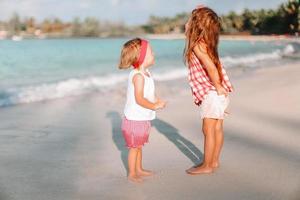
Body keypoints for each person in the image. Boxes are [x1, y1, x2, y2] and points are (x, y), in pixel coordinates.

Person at [184, 7, 234, 175]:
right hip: (219, 92)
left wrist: (218, 87)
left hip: (213, 93)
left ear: (195, 26)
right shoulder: (207, 43)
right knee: (217, 128)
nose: (186, 23)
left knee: (208, 130)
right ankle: (214, 161)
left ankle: (207, 166)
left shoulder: (198, 45)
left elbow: (211, 68)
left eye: (190, 21)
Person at [118, 38, 166, 182]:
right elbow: (139, 99)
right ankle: (132, 173)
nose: (154, 53)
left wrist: (156, 100)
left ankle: (139, 169)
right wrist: (154, 106)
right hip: (134, 119)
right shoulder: (138, 76)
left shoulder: (147, 73)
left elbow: (149, 94)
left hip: (142, 117)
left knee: (139, 146)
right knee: (134, 148)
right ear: (142, 56)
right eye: (151, 52)